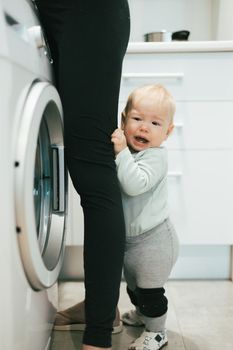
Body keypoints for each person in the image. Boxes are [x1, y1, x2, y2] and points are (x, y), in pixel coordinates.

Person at [35, 0, 130, 349]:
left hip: (87, 10)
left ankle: (98, 334)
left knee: (92, 169)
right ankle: (100, 308)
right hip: (55, 13)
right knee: (84, 163)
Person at [111, 84, 179, 350]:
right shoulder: (133, 153)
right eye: (137, 119)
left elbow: (133, 185)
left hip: (155, 241)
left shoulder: (154, 157)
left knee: (150, 292)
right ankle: (142, 315)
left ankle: (158, 331)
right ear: (124, 120)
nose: (144, 128)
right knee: (134, 288)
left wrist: (120, 153)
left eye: (154, 123)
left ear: (167, 132)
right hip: (132, 241)